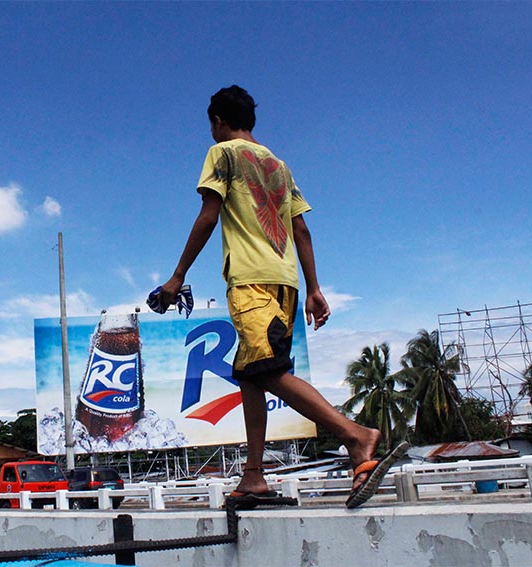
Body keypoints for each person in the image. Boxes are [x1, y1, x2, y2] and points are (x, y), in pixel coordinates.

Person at [155, 85, 407, 509]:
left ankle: (356, 437)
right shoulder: (279, 165)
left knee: (267, 370)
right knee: (252, 372)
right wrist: (313, 288)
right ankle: (254, 475)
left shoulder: (224, 154)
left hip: (251, 282)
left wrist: (176, 277)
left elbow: (208, 216)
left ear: (218, 121)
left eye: (211, 125)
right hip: (286, 282)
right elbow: (301, 229)